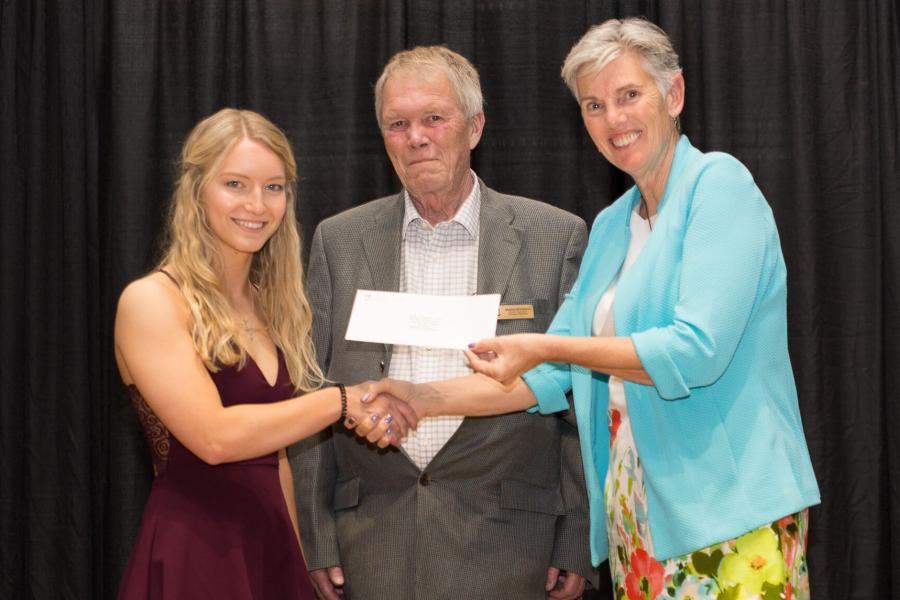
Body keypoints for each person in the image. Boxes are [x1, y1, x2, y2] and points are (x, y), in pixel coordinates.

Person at [366, 19, 821, 600]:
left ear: (674, 95)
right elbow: (548, 377)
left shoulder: (719, 186)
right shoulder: (610, 226)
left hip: (728, 510)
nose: (614, 119)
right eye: (593, 105)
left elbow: (695, 353)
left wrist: (547, 345)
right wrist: (423, 398)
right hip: (636, 509)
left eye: (629, 95)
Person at [289, 46, 596, 599]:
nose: (417, 137)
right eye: (397, 123)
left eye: (434, 118)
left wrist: (576, 534)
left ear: (475, 126)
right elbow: (315, 393)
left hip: (512, 541)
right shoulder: (338, 240)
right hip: (372, 538)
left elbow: (577, 394)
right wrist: (317, 538)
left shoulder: (555, 236)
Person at [114, 108, 414, 599]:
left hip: (269, 550)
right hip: (195, 554)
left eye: (274, 187)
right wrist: (341, 401)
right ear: (196, 192)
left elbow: (275, 459)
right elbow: (214, 439)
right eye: (236, 184)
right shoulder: (151, 301)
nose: (258, 204)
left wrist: (295, 559)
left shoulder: (273, 305)